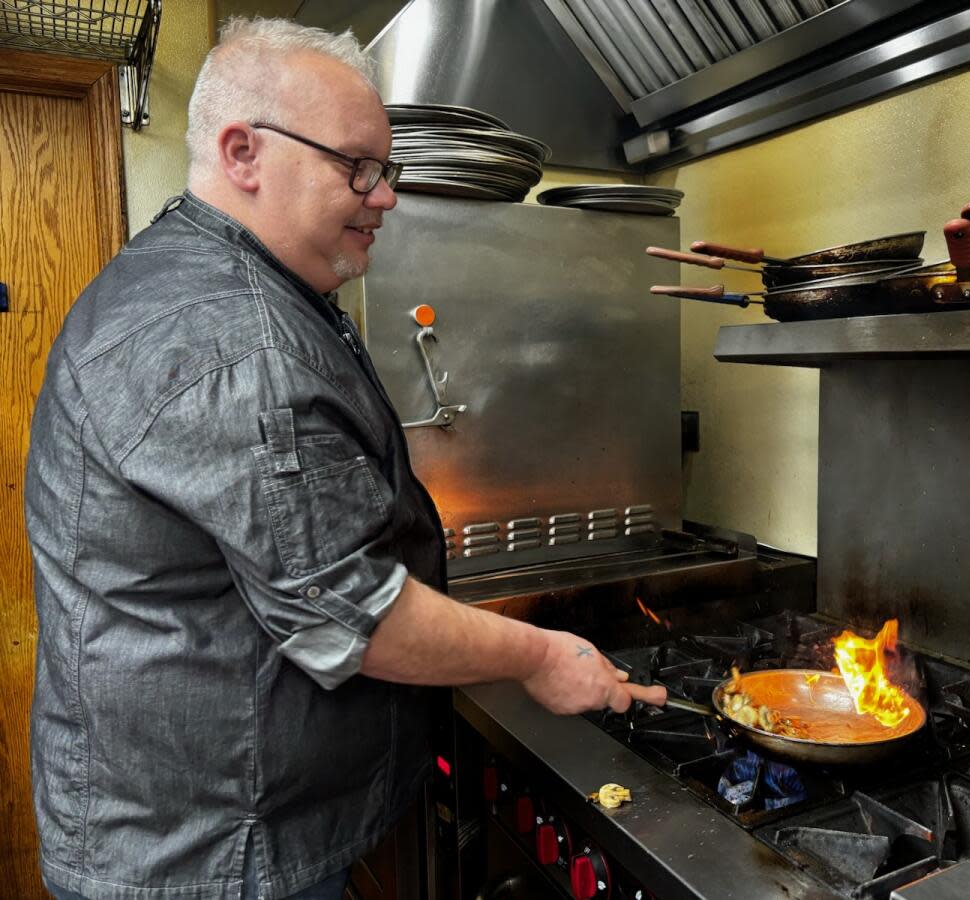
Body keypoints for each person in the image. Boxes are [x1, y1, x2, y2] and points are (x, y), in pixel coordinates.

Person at [24, 17, 665, 900]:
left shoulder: (235, 284)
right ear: (243, 152)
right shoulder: (233, 336)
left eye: (386, 170)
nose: (386, 196)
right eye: (357, 167)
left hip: (204, 830)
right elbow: (353, 616)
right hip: (212, 861)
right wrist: (541, 655)